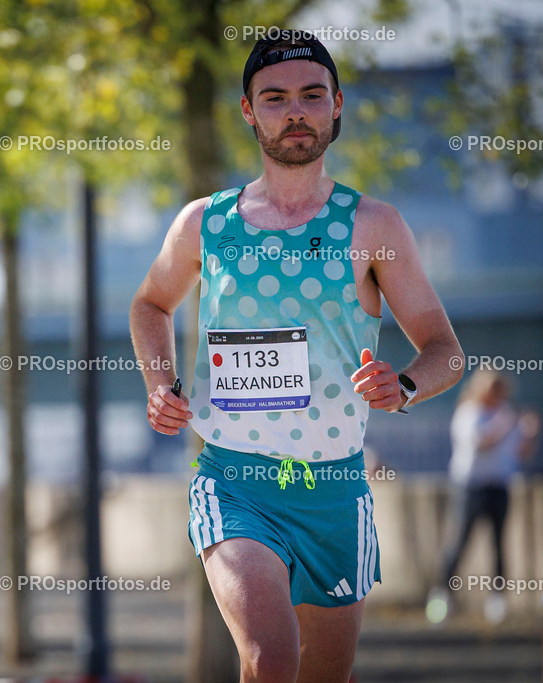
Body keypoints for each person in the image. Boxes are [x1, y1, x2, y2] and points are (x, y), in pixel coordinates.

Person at [130, 32, 463, 681]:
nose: (295, 111)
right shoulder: (205, 222)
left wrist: (404, 384)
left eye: (312, 96)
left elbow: (445, 349)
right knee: (269, 658)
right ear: (249, 112)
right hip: (234, 481)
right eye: (275, 98)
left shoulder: (373, 225)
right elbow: (150, 303)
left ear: (337, 105)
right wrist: (161, 382)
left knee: (324, 674)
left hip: (335, 489)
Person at [427, 369, 541, 625]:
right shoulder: (469, 414)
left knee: (499, 544)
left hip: (500, 486)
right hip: (471, 487)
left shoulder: (506, 414)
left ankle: (497, 599)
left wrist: (530, 434)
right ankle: (441, 595)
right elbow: (482, 442)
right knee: (459, 543)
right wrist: (507, 425)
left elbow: (519, 454)